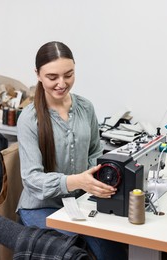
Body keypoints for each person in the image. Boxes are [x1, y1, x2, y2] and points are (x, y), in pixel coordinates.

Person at [16, 41, 127, 259]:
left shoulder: (85, 107)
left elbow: (96, 151)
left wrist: (99, 180)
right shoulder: (29, 119)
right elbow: (31, 179)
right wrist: (77, 182)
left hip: (80, 202)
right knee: (74, 252)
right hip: (41, 207)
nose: (61, 83)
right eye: (52, 77)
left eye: (68, 75)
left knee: (115, 250)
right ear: (37, 74)